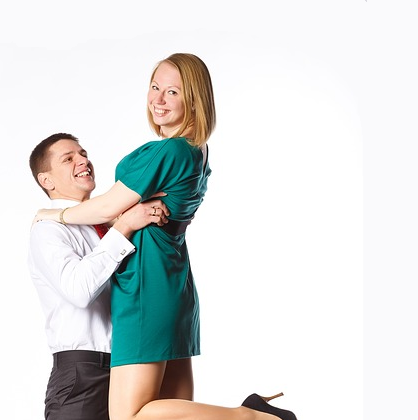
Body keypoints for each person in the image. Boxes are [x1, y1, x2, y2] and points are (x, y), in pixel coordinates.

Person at [34, 54, 297, 420]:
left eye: (172, 91)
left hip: (148, 284)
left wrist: (55, 213)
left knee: (128, 415)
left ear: (194, 100)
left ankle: (250, 416)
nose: (158, 99)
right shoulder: (197, 153)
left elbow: (106, 207)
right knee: (177, 411)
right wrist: (126, 218)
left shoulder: (170, 150)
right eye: (155, 87)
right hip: (173, 281)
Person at [27, 132, 170, 420]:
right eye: (68, 159)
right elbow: (79, 290)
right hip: (83, 378)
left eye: (83, 154)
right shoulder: (48, 230)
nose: (83, 161)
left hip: (130, 368)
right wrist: (125, 226)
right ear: (47, 180)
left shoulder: (104, 223)